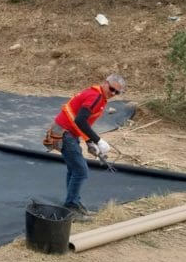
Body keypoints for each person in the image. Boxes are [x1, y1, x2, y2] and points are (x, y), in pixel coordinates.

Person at [44, 74, 126, 222]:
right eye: (112, 89)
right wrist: (98, 140)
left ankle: (73, 202)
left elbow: (81, 121)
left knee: (73, 170)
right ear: (105, 83)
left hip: (67, 132)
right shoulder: (95, 97)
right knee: (81, 171)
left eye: (117, 92)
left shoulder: (98, 96)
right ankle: (70, 207)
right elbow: (80, 120)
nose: (113, 93)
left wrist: (89, 142)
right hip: (64, 133)